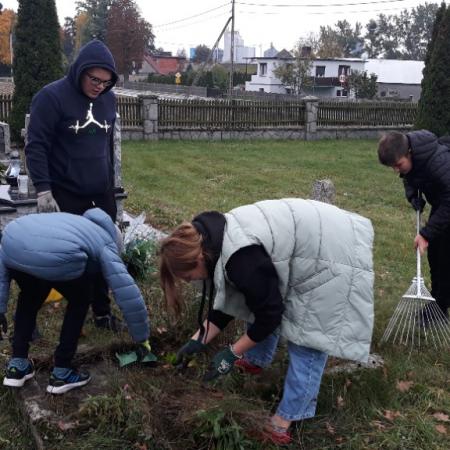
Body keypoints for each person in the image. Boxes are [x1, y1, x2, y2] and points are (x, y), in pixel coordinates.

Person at [159, 198, 374, 445]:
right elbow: (237, 299)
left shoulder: (241, 258)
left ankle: (286, 418)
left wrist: (231, 353)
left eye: (187, 277)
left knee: (308, 336)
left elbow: (270, 314)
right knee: (259, 298)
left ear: (198, 260)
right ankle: (256, 360)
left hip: (332, 253)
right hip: (308, 239)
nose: (188, 282)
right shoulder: (211, 241)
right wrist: (197, 341)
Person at [25, 39, 121, 332]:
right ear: (79, 70)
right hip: (66, 193)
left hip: (101, 193)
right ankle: (31, 316)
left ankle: (102, 313)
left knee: (105, 253)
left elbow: (107, 145)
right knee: (63, 256)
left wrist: (111, 184)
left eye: (106, 82)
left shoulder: (109, 99)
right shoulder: (51, 98)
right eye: (94, 79)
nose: (99, 87)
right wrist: (43, 189)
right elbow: (36, 146)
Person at [0, 208, 151, 394]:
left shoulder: (73, 222)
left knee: (30, 294)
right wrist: (142, 337)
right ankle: (62, 372)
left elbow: (2, 269)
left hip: (14, 242)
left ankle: (17, 365)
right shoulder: (105, 241)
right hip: (56, 254)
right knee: (80, 298)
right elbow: (126, 291)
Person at [378, 130, 450, 320]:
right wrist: (412, 196)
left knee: (445, 255)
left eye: (398, 165)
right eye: (393, 167)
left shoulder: (437, 162)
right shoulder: (411, 158)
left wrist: (425, 234)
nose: (396, 170)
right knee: (436, 255)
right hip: (443, 202)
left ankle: (441, 305)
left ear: (409, 152)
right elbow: (409, 177)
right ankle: (439, 304)